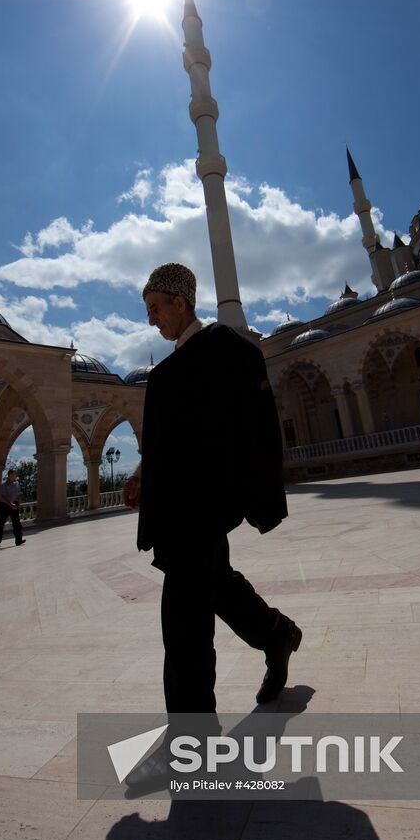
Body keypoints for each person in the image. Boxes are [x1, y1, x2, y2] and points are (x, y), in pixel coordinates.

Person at [122, 263, 302, 791]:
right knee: (214, 586)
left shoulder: (226, 349)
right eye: (149, 309)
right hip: (177, 509)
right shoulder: (169, 371)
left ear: (182, 301)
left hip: (201, 508)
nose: (152, 318)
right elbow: (169, 442)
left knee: (182, 623)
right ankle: (278, 635)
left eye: (156, 307)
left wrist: (260, 494)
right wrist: (140, 474)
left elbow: (256, 422)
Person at [0, 469, 26, 548]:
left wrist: (17, 503)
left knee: (17, 523)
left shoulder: (17, 484)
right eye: (15, 474)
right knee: (0, 524)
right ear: (10, 475)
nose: (16, 476)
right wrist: (11, 504)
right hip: (4, 505)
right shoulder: (3, 485)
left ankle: (19, 540)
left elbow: (18, 494)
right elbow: (2, 497)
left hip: (14, 505)